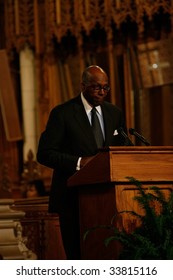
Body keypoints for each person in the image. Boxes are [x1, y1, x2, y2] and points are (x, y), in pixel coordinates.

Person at [36, 65, 128, 260]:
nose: (102, 92)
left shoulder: (115, 113)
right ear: (83, 86)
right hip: (73, 200)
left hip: (107, 201)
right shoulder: (63, 113)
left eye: (105, 88)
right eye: (96, 87)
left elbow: (120, 150)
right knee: (78, 258)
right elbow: (44, 153)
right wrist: (79, 162)